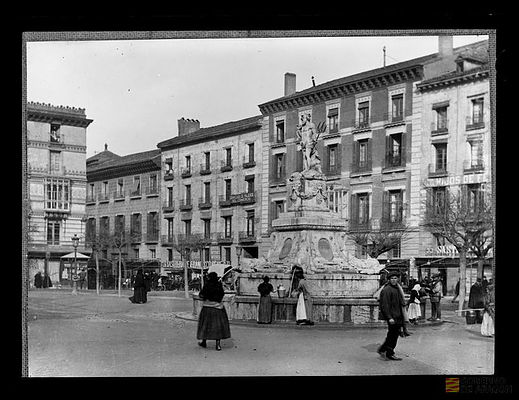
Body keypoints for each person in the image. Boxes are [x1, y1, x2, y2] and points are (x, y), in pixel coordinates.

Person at [197, 272, 231, 351]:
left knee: (205, 325)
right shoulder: (219, 285)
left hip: (207, 307)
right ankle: (218, 345)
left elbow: (201, 294)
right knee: (218, 326)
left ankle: (204, 342)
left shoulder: (207, 285)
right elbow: (222, 294)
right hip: (218, 307)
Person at [377, 272, 406, 361]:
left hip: (398, 315)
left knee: (392, 334)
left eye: (395, 278)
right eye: (392, 278)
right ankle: (390, 353)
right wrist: (389, 317)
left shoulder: (397, 288)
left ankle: (383, 349)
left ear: (398, 279)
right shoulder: (387, 290)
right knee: (393, 336)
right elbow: (384, 305)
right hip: (393, 317)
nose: (394, 280)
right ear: (389, 280)